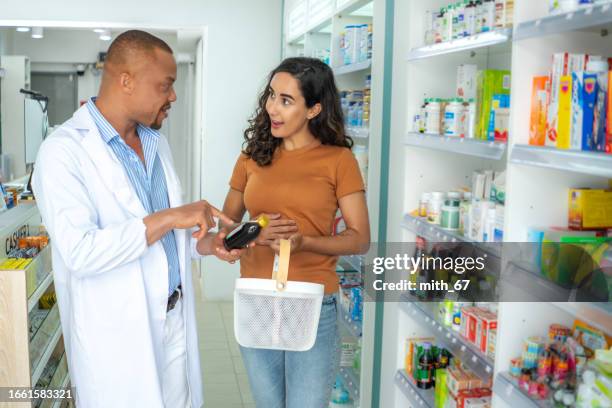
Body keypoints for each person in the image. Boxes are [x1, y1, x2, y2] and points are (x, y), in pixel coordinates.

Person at [32, 30, 242, 408]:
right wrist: (170, 216)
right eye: (166, 85)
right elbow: (80, 252)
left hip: (174, 321)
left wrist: (205, 245)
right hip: (118, 337)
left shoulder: (155, 142)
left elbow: (164, 242)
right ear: (125, 81)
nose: (173, 96)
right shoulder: (62, 153)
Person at [222, 57, 371, 408]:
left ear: (314, 109)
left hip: (313, 303)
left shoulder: (338, 160)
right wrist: (255, 232)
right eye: (272, 96)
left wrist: (304, 242)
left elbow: (360, 238)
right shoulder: (251, 156)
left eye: (286, 101)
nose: (273, 108)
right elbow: (225, 227)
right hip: (257, 299)